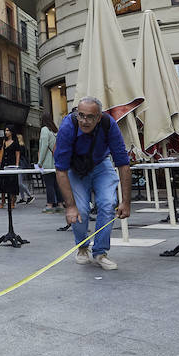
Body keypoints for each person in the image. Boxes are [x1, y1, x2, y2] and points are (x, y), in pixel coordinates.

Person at [56, 97, 132, 270]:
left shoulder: (109, 124)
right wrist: (70, 206)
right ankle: (82, 247)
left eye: (90, 117)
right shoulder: (68, 126)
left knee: (108, 203)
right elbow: (60, 170)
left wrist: (126, 202)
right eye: (80, 115)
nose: (84, 121)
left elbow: (123, 164)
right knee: (80, 209)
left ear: (99, 117)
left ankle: (100, 252)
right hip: (75, 169)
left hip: (100, 164)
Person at [37, 114, 61, 213]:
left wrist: (40, 161)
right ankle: (60, 204)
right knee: (57, 184)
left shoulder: (44, 130)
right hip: (56, 161)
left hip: (47, 161)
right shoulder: (55, 130)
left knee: (49, 184)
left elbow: (44, 146)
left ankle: (50, 205)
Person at [0, 125, 23, 209]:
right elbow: (2, 151)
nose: (6, 132)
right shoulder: (4, 141)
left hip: (12, 164)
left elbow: (17, 154)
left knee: (12, 182)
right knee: (2, 182)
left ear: (11, 132)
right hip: (4, 163)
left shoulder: (15, 142)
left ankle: (12, 200)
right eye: (5, 130)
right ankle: (2, 200)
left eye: (8, 130)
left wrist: (16, 165)